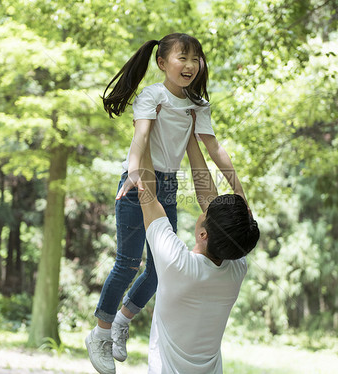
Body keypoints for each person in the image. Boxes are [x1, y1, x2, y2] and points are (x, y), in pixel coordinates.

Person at [86, 33, 248, 374]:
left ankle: (121, 319)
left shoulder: (197, 106)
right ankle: (100, 333)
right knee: (128, 263)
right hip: (140, 177)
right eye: (182, 58)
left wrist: (238, 191)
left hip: (170, 182)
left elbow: (213, 149)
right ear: (162, 63)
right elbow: (141, 137)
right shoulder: (152, 95)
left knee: (161, 270)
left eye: (195, 59)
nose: (190, 65)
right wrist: (135, 174)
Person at [139, 132, 260, 373]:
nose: (204, 207)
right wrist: (189, 138)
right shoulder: (236, 267)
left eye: (206, 211)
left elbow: (147, 193)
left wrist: (143, 131)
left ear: (203, 235)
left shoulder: (177, 264)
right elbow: (225, 219)